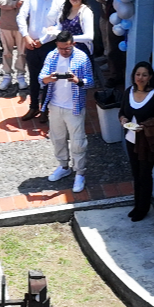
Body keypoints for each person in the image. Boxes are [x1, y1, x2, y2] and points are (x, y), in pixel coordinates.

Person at [39, 31, 92, 190]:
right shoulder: (52, 56)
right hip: (55, 105)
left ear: (73, 44)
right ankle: (63, 166)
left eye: (67, 48)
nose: (64, 52)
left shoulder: (82, 58)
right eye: (61, 48)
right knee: (57, 138)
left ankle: (80, 173)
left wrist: (77, 80)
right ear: (57, 45)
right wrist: (50, 78)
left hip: (74, 107)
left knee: (78, 142)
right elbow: (41, 78)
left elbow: (90, 81)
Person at [119, 63, 154, 221]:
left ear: (150, 77)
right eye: (138, 74)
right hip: (131, 140)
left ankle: (143, 208)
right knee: (136, 173)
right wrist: (123, 119)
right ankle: (137, 204)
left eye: (144, 75)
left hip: (146, 142)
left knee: (145, 174)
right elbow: (122, 112)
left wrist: (143, 127)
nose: (141, 78)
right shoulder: (128, 92)